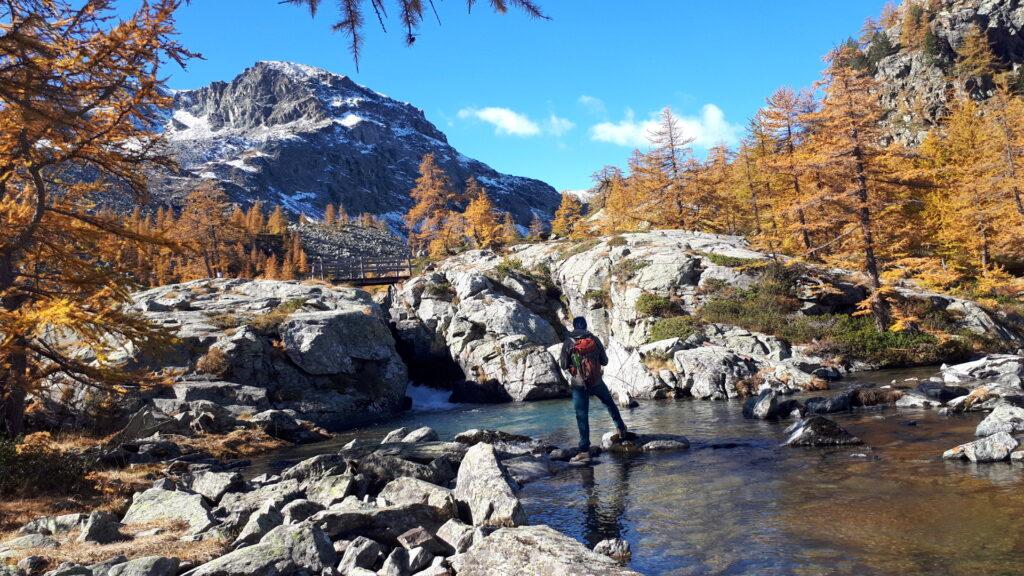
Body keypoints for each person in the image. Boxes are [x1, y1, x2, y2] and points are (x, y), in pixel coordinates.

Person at [559, 316, 633, 464]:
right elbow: (605, 361)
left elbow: (563, 365)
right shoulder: (594, 340)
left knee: (582, 416)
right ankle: (621, 429)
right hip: (597, 382)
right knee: (610, 404)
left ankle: (584, 451)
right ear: (586, 325)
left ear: (574, 326)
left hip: (579, 385)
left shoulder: (568, 342)